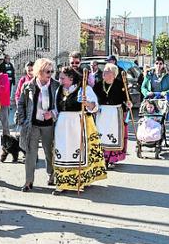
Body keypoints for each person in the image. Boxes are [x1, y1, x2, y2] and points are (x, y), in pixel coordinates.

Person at [52, 67, 107, 195]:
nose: (60, 80)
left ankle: (79, 181)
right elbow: (57, 108)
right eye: (60, 78)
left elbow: (95, 107)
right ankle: (62, 182)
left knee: (78, 153)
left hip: (77, 123)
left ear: (71, 78)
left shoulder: (84, 89)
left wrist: (87, 103)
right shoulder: (59, 90)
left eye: (62, 78)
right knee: (62, 152)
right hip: (62, 125)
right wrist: (52, 114)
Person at [16, 58, 59, 192]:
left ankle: (51, 175)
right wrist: (22, 120)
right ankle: (28, 181)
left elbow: (62, 104)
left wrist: (52, 113)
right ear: (39, 71)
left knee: (49, 151)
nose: (50, 74)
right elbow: (21, 104)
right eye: (47, 71)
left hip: (49, 125)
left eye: (52, 71)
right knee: (30, 153)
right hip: (32, 125)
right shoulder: (28, 86)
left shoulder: (56, 85)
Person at [93, 63, 132, 167]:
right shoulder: (98, 84)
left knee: (113, 136)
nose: (104, 73)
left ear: (113, 74)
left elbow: (127, 98)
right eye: (104, 71)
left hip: (115, 113)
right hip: (102, 113)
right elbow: (93, 98)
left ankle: (112, 159)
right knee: (102, 135)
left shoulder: (120, 84)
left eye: (107, 71)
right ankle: (102, 159)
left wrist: (129, 103)